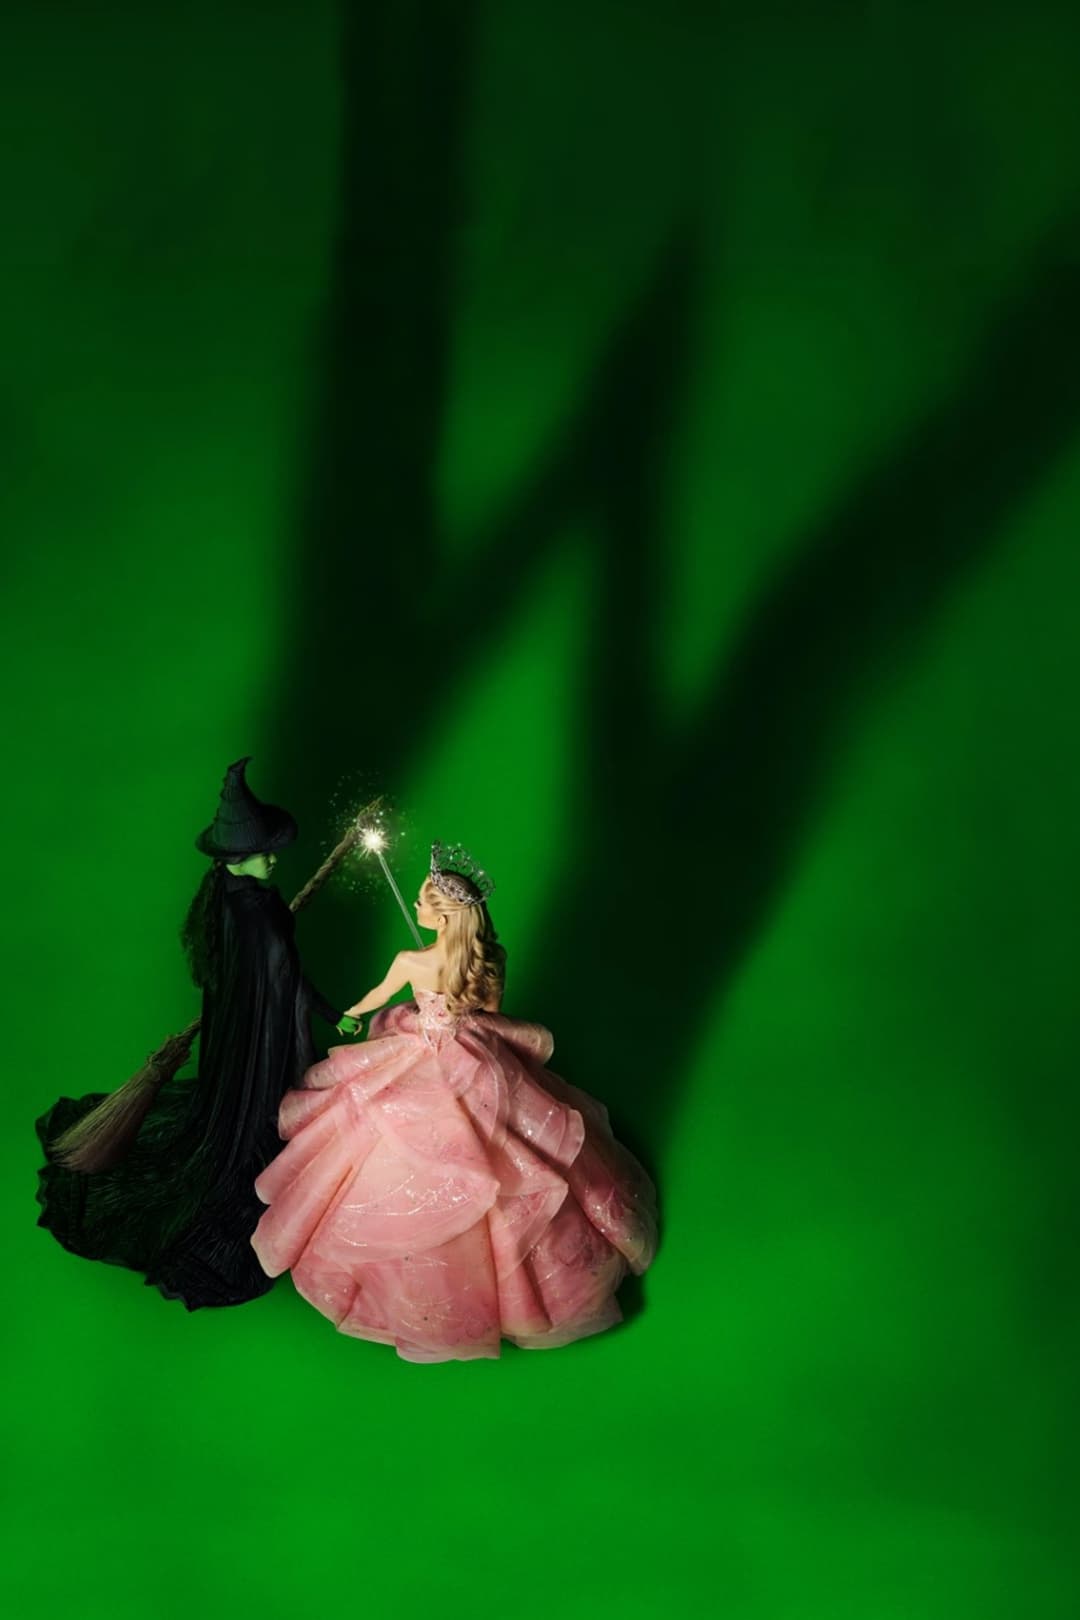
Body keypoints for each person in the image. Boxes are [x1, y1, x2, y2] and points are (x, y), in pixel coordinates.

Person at [251, 842, 657, 1361]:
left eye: (423, 902)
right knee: (505, 1139)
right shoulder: (488, 959)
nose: (416, 907)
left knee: (395, 1139)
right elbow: (490, 1014)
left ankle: (452, 1291)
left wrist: (348, 1014)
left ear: (442, 918)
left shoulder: (412, 961)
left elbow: (379, 997)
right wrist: (456, 1018)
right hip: (476, 1051)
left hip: (421, 1051)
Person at [36, 758, 354, 1309]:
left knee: (235, 1105)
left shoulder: (226, 896)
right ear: (235, 858)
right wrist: (333, 1015)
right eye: (263, 852)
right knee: (257, 1113)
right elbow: (288, 978)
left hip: (236, 1032)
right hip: (259, 1038)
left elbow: (265, 971)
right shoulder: (257, 912)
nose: (273, 858)